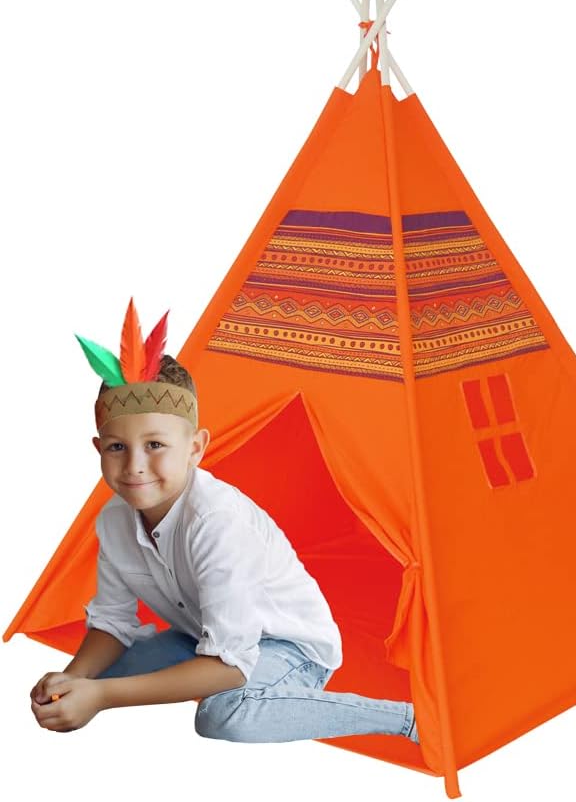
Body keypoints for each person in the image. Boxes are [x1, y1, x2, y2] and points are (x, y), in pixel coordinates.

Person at [29, 298, 420, 745]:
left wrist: (101, 697)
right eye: (118, 447)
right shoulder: (113, 521)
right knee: (102, 671)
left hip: (286, 648)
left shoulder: (216, 521)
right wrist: (74, 679)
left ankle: (405, 719)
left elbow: (231, 666)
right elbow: (112, 623)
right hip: (196, 636)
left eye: (155, 445)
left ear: (195, 448)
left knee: (224, 716)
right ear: (99, 449)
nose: (135, 465)